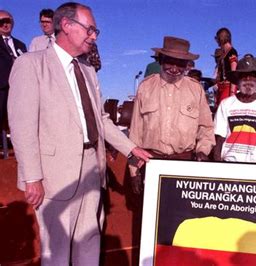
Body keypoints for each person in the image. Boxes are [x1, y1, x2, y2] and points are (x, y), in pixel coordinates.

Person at [7, 3, 151, 265]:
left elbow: (102, 119)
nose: (94, 36)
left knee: (89, 239)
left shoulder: (87, 70)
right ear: (66, 25)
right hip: (53, 175)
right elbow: (22, 126)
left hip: (91, 168)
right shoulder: (30, 64)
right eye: (90, 29)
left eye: (95, 31)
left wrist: (130, 148)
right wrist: (32, 177)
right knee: (57, 250)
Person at [128, 36, 215, 193]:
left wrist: (203, 150)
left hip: (185, 166)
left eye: (180, 63)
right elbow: (135, 133)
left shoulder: (196, 90)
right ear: (161, 60)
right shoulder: (145, 87)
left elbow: (206, 128)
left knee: (182, 216)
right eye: (170, 62)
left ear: (187, 65)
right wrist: (134, 172)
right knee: (150, 216)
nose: (174, 68)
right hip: (151, 165)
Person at [214, 54, 256, 164]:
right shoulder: (226, 104)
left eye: (252, 77)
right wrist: (217, 165)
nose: (248, 80)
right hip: (228, 163)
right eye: (244, 76)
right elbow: (219, 138)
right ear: (238, 80)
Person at [0, 10, 26, 132]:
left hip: (19, 89)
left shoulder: (20, 44)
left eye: (8, 21)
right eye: (1, 22)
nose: (5, 25)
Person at [214, 27, 238, 106]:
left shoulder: (232, 52)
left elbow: (234, 72)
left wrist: (232, 92)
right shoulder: (224, 53)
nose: (216, 41)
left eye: (217, 38)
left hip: (228, 87)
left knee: (224, 108)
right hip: (220, 87)